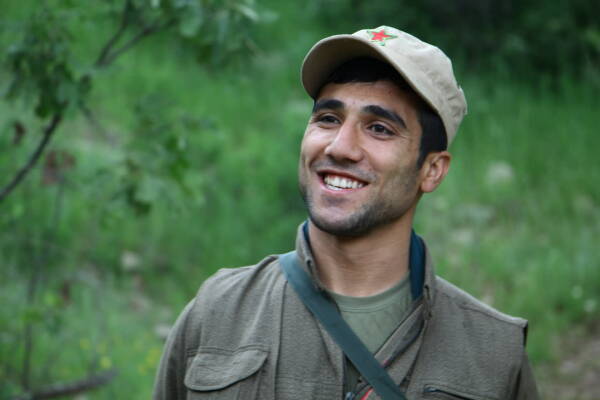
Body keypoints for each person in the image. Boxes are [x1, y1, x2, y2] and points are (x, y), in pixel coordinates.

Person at [153, 26, 540, 400]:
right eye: (328, 119)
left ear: (432, 170)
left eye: (380, 128)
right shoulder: (219, 310)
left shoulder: (493, 353)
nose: (340, 147)